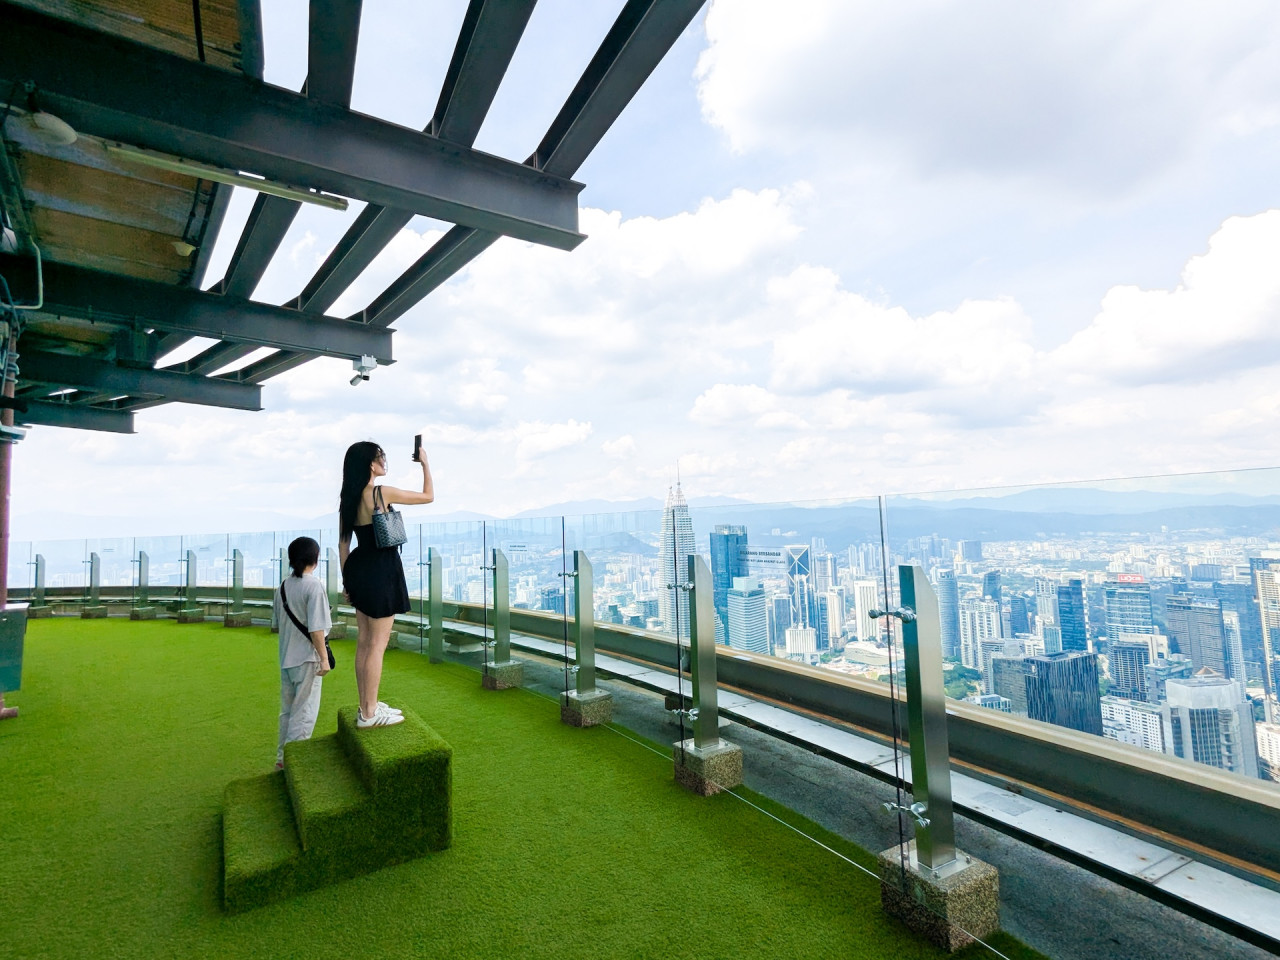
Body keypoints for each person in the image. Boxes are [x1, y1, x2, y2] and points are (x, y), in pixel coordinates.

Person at [339, 440, 434, 728]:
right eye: (380, 456)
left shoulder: (349, 498)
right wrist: (425, 463)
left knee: (364, 643)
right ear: (370, 463)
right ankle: (369, 714)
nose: (383, 461)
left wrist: (347, 582)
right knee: (377, 645)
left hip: (359, 569)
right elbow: (428, 496)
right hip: (382, 571)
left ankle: (366, 705)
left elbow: (344, 545)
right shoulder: (381, 492)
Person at [273, 536, 332, 768]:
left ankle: (281, 760)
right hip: (307, 659)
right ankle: (293, 766)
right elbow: (317, 629)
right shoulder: (314, 586)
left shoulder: (283, 587)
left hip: (287, 658)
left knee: (287, 713)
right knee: (304, 714)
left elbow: (277, 623)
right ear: (315, 559)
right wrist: (324, 659)